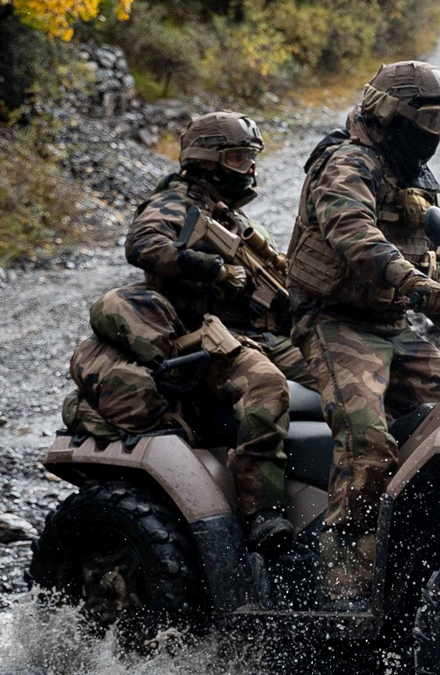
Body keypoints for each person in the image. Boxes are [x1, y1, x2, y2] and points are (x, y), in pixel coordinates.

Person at [287, 61, 440, 606]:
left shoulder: (406, 170)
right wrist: (414, 284)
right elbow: (353, 233)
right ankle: (343, 580)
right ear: (394, 116)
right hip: (335, 322)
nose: (436, 134)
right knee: (366, 442)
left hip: (391, 325)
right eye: (428, 120)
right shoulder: (347, 163)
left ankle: (421, 547)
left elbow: (426, 258)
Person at [95, 111, 295, 553]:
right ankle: (265, 510)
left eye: (251, 158)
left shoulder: (232, 219)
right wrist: (212, 268)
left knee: (337, 375)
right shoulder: (176, 204)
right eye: (240, 158)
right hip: (200, 337)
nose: (251, 169)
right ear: (207, 162)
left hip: (254, 333)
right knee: (265, 387)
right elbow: (143, 244)